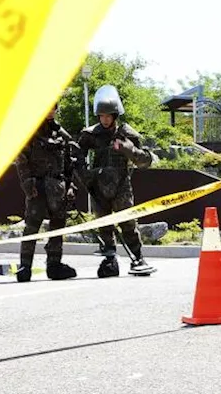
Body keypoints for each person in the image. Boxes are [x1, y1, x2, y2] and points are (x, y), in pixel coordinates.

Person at [76, 85, 156, 278]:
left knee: (127, 223)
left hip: (122, 185)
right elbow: (76, 158)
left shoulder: (126, 133)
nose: (104, 119)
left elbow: (147, 160)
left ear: (115, 115)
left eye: (108, 115)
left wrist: (130, 150)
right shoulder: (90, 134)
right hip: (97, 186)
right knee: (104, 224)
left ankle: (138, 258)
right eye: (101, 116)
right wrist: (86, 176)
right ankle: (110, 259)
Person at [14, 104, 80, 282]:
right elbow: (21, 160)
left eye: (53, 108)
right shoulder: (30, 132)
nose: (50, 111)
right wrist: (27, 183)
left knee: (58, 227)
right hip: (38, 187)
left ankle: (54, 265)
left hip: (57, 188)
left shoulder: (62, 135)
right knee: (32, 227)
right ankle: (25, 266)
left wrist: (70, 187)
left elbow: (69, 165)